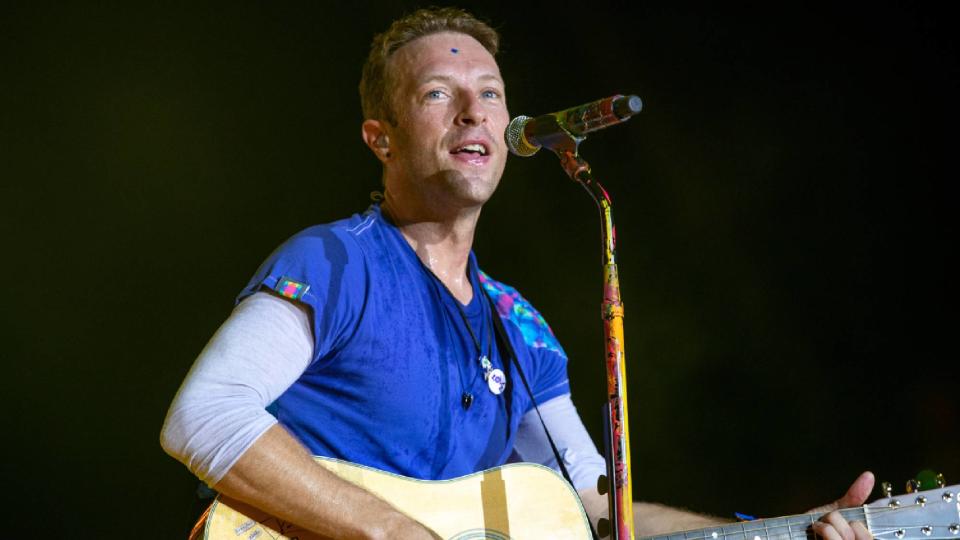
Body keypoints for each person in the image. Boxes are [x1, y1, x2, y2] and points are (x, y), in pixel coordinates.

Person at [161, 7, 875, 540]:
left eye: (492, 94)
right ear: (381, 137)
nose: (476, 112)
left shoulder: (517, 323)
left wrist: (786, 528)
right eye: (439, 93)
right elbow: (203, 416)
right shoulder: (336, 261)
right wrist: (398, 533)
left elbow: (601, 508)